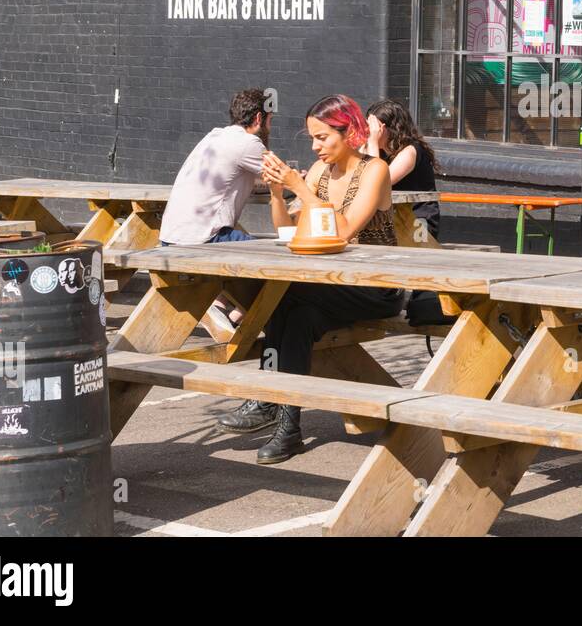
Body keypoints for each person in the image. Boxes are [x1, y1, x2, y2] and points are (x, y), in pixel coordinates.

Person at [216, 94, 406, 465]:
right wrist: (276, 192)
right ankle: (288, 429)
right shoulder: (319, 173)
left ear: (349, 131)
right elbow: (289, 231)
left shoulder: (374, 170)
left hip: (376, 286)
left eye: (322, 137)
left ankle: (269, 396)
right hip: (330, 286)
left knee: (285, 296)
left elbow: (345, 230)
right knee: (295, 312)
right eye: (312, 138)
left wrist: (300, 188)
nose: (316, 146)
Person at [159, 89, 271, 246]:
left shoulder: (213, 136)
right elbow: (283, 178)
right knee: (271, 253)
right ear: (259, 118)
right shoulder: (248, 142)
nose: (269, 127)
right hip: (204, 238)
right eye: (270, 121)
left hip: (168, 236)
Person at [363, 97, 440, 240]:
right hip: (392, 219)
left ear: (390, 129)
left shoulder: (411, 150)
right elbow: (356, 175)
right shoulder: (378, 152)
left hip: (417, 222)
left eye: (375, 128)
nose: (371, 132)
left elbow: (379, 182)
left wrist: (372, 142)